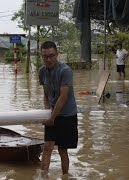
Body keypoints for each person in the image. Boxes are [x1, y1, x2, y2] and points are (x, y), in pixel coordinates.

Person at [38, 41, 78, 177]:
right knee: (47, 146)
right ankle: (43, 176)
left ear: (57, 54)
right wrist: (47, 112)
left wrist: (52, 118)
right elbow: (46, 94)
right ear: (41, 56)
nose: (48, 59)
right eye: (45, 56)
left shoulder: (65, 71)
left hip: (67, 115)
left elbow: (63, 97)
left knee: (62, 149)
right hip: (52, 115)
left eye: (51, 55)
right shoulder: (42, 71)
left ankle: (65, 175)